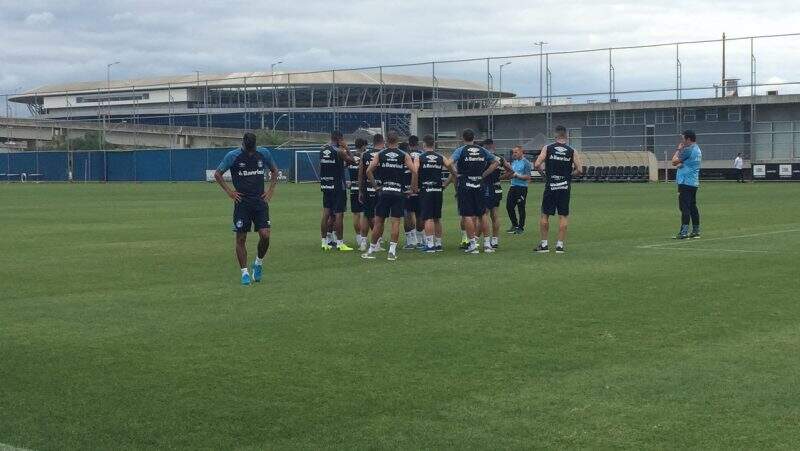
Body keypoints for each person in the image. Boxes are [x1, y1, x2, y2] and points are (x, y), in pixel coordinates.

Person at [214, 132, 278, 285]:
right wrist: (230, 192)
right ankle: (244, 273)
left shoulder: (263, 153)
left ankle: (258, 263)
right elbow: (218, 174)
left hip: (260, 202)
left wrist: (270, 191)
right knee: (241, 238)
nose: (250, 152)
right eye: (248, 149)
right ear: (243, 144)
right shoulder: (233, 156)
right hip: (242, 203)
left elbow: (274, 170)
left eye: (252, 149)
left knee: (265, 235)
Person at [362, 131, 417, 261]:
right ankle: (392, 252)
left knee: (379, 222)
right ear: (397, 141)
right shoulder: (404, 155)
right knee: (395, 222)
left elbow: (368, 171)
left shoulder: (380, 154)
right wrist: (412, 188)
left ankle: (371, 250)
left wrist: (375, 186)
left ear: (387, 140)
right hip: (398, 192)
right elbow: (414, 171)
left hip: (384, 191)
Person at [534, 125, 583, 254]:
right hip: (564, 187)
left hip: (551, 185)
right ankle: (560, 245)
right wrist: (568, 176)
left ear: (555, 136)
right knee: (563, 216)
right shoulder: (572, 150)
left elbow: (537, 164)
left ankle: (544, 245)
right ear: (566, 136)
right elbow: (580, 170)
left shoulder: (548, 148)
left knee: (545, 214)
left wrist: (544, 175)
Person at [451, 129, 499, 254]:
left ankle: (473, 244)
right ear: (474, 138)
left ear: (463, 138)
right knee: (482, 214)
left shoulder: (461, 150)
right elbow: (496, 162)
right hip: (479, 184)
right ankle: (487, 245)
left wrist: (455, 173)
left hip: (465, 185)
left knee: (467, 215)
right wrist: (483, 174)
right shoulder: (482, 150)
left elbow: (449, 162)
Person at [416, 134, 454, 252]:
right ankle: (438, 244)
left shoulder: (420, 158)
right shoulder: (440, 157)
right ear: (434, 144)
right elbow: (453, 170)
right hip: (438, 190)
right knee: (437, 217)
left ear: (424, 144)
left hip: (426, 189)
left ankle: (430, 245)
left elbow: (415, 171)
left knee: (428, 218)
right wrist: (445, 184)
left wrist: (414, 186)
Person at [319, 130, 356, 251]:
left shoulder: (322, 150)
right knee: (339, 214)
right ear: (340, 139)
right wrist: (347, 148)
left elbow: (331, 165)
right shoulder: (339, 151)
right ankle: (340, 243)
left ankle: (324, 242)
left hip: (326, 185)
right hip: (338, 186)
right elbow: (352, 161)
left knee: (326, 213)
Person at [481, 138, 513, 249]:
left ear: (484, 146)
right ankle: (495, 240)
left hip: (486, 187)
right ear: (493, 146)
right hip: (497, 187)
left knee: (483, 214)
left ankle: (480, 239)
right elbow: (511, 171)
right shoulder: (500, 158)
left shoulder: (485, 157)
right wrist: (500, 178)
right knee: (495, 214)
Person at [672, 130, 702, 239]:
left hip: (685, 182)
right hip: (694, 182)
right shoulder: (698, 150)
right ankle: (696, 230)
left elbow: (674, 161)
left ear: (688, 139)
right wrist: (681, 164)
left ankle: (684, 232)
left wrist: (678, 150)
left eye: (683, 139)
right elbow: (687, 163)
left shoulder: (688, 150)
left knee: (684, 207)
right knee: (692, 206)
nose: (682, 141)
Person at [358, 134, 384, 252]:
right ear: (382, 142)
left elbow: (361, 173)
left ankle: (363, 242)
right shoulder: (384, 154)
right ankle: (376, 242)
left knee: (366, 214)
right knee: (378, 217)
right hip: (380, 189)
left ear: (373, 142)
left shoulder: (365, 154)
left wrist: (360, 190)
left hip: (367, 188)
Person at [402, 135, 426, 249]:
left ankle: (410, 241)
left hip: (406, 188)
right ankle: (421, 239)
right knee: (420, 213)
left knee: (407, 213)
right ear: (418, 143)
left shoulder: (404, 155)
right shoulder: (422, 155)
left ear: (408, 143)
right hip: (420, 188)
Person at [505, 145, 532, 234]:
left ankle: (521, 228)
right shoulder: (514, 162)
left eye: (516, 152)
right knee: (509, 206)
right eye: (513, 152)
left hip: (522, 188)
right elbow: (510, 173)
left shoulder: (526, 163)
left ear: (521, 152)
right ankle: (514, 225)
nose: (514, 154)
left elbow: (528, 177)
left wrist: (517, 175)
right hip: (513, 187)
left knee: (521, 207)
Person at [348, 138, 367, 249]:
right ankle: (366, 239)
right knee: (367, 214)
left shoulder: (350, 157)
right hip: (363, 188)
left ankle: (358, 237)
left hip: (353, 188)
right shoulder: (364, 157)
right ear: (363, 146)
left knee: (356, 214)